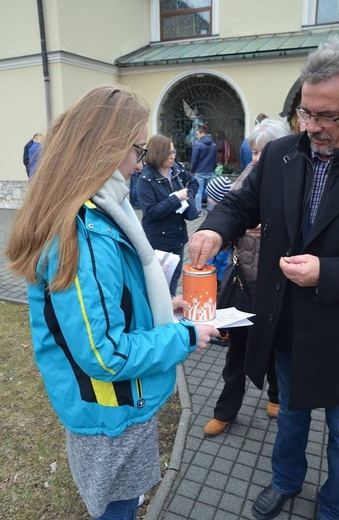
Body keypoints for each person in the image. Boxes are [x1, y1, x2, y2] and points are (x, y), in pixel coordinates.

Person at [6, 85, 219, 520]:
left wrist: (162, 308)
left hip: (115, 408)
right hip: (112, 413)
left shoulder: (95, 212)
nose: (140, 162)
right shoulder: (85, 233)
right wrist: (183, 337)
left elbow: (109, 304)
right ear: (107, 147)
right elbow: (105, 354)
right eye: (137, 148)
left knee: (120, 505)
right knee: (116, 511)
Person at [189, 37, 339, 520]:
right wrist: (214, 229)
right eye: (305, 113)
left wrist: (327, 272)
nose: (313, 126)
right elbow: (238, 203)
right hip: (290, 322)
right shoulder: (279, 155)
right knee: (291, 412)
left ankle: (333, 504)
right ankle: (285, 481)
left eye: (328, 116)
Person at [203, 119, 291, 438]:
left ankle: (276, 396)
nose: (256, 158)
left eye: (263, 151)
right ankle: (225, 412)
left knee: (274, 350)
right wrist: (223, 232)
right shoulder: (243, 182)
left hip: (277, 289)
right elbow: (228, 221)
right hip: (242, 285)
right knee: (236, 354)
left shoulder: (293, 185)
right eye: (253, 151)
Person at [136, 135, 199, 297]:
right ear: (158, 153)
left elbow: (194, 183)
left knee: (174, 277)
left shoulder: (176, 169)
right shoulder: (145, 179)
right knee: (160, 283)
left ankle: (170, 313)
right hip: (159, 240)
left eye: (173, 152)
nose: (173, 156)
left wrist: (188, 196)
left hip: (177, 236)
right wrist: (176, 198)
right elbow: (151, 213)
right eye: (169, 153)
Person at [190, 124, 217, 215]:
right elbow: (215, 159)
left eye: (198, 134)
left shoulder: (198, 146)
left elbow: (194, 160)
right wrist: (213, 168)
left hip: (199, 172)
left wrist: (192, 170)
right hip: (210, 171)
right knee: (211, 192)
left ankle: (198, 210)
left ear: (202, 133)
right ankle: (210, 210)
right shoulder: (213, 145)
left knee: (198, 192)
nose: (197, 136)